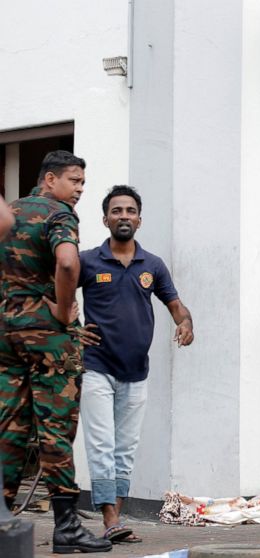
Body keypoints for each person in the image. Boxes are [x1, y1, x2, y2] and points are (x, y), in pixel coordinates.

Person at [0, 150, 112, 553]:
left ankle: (3, 518)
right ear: (49, 180)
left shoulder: (9, 211)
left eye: (82, 182)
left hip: (7, 332)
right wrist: (65, 312)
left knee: (9, 427)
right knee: (56, 428)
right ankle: (66, 527)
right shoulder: (58, 213)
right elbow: (67, 263)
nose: (80, 190)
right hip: (48, 337)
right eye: (74, 181)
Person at [76, 185, 193, 545]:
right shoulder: (87, 261)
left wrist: (186, 323)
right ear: (105, 219)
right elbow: (56, 294)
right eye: (116, 210)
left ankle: (116, 519)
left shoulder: (152, 265)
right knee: (102, 444)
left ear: (139, 220)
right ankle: (111, 521)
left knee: (125, 447)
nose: (123, 216)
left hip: (136, 372)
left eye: (129, 210)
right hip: (96, 367)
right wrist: (71, 329)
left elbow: (176, 305)